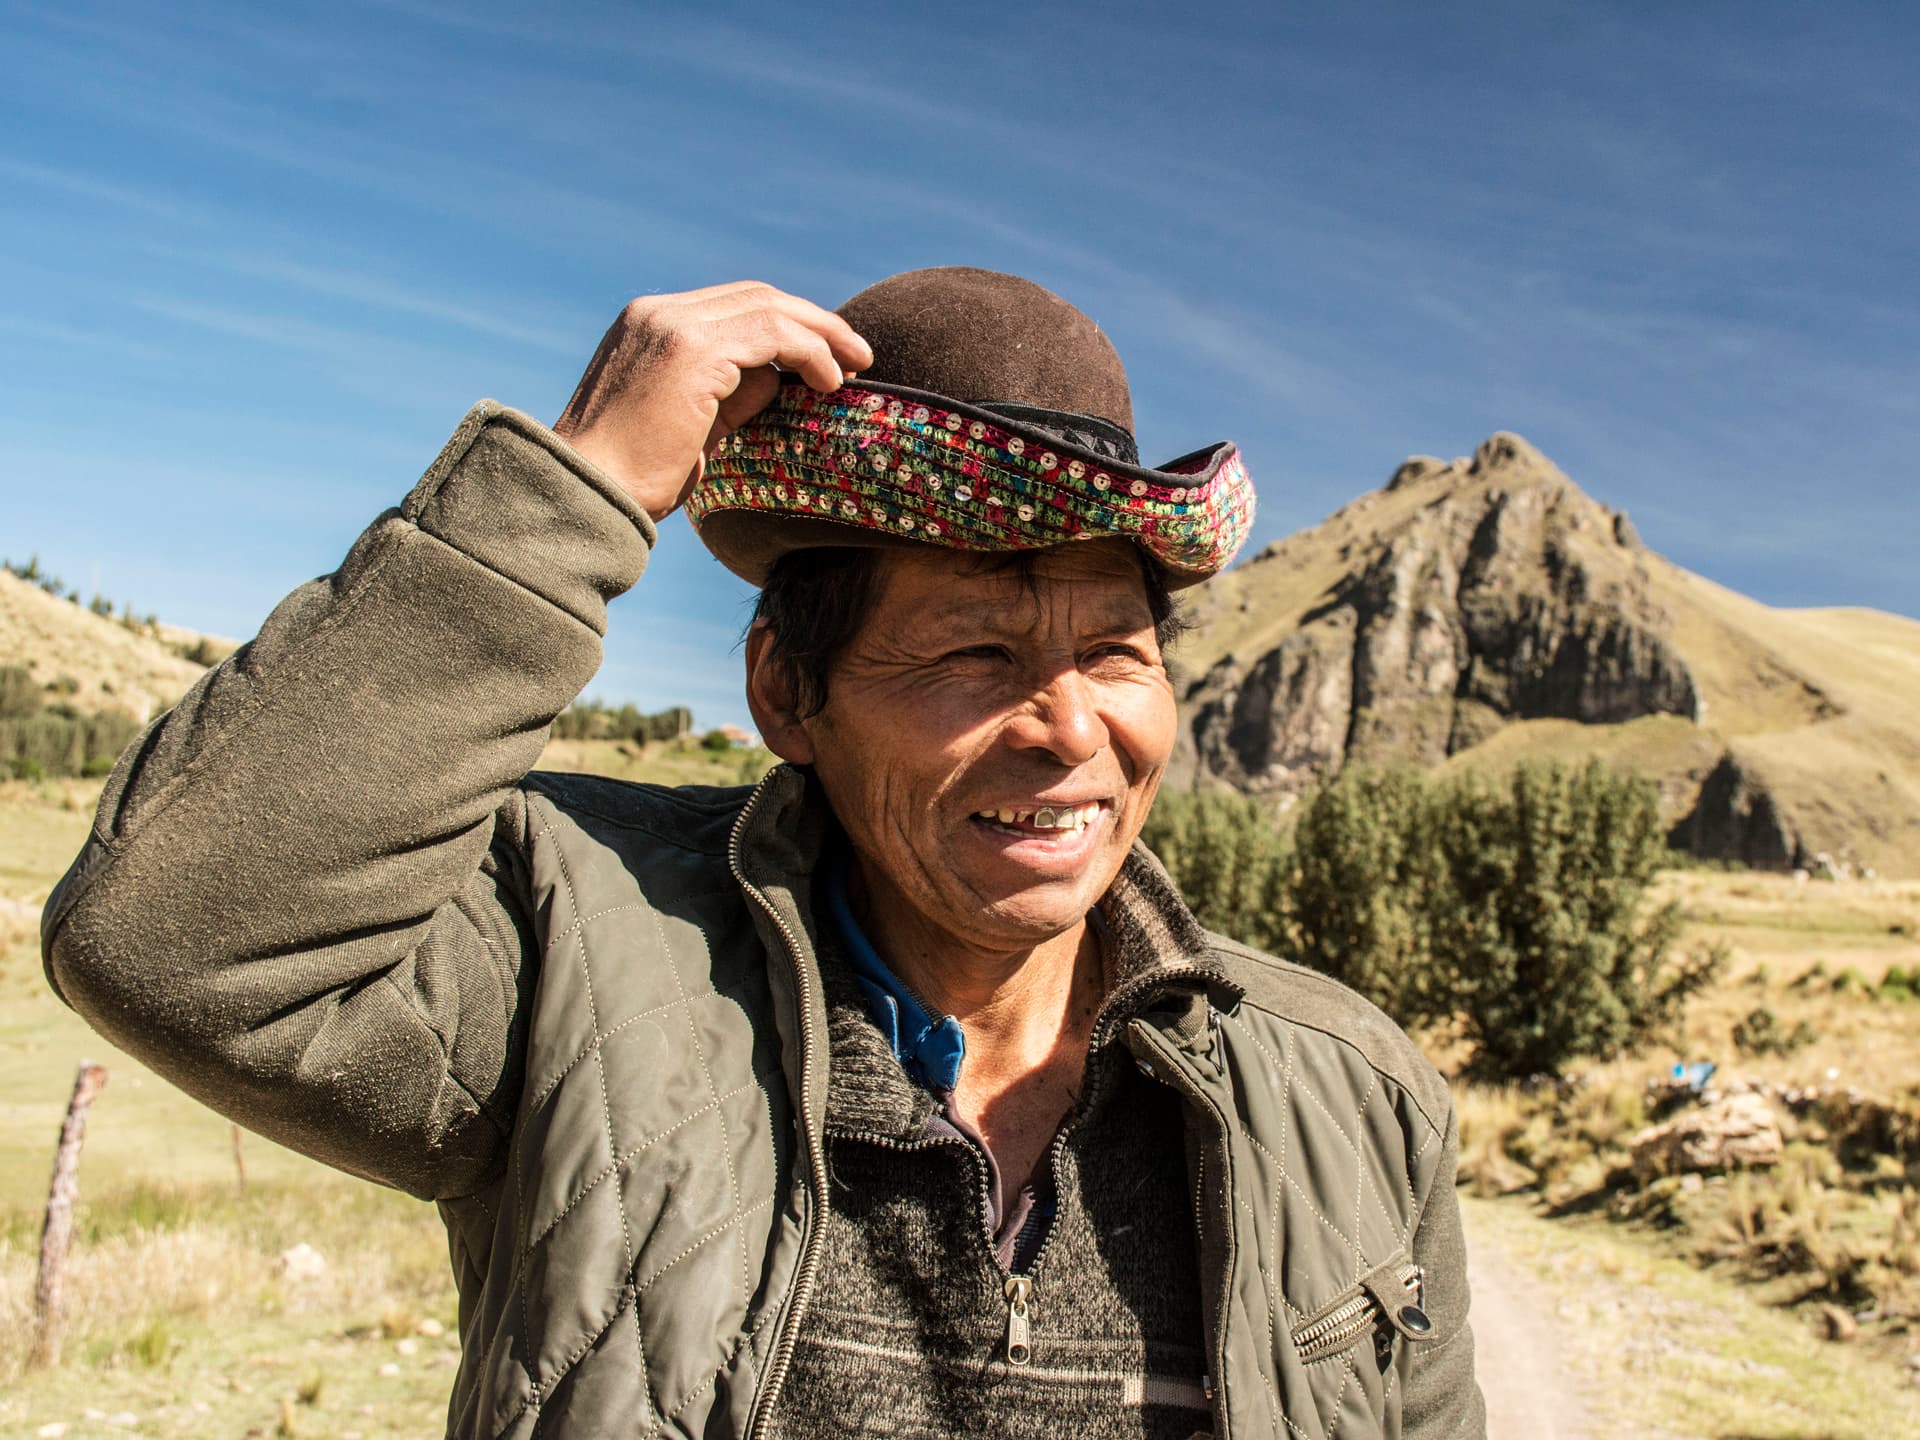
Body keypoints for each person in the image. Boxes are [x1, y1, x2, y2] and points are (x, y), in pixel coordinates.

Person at [42, 268, 1485, 1439]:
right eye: (973, 653)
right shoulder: (580, 966)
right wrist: (582, 481)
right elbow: (168, 937)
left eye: (1114, 655)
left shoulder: (1347, 1091)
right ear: (788, 695)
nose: (1068, 731)